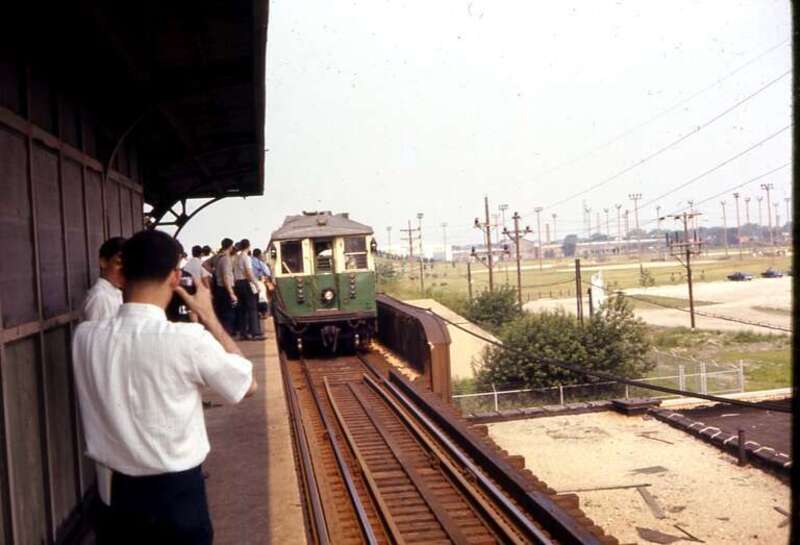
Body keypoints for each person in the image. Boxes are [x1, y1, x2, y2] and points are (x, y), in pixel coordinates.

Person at [72, 230, 257, 545]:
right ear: (175, 277)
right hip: (178, 499)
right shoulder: (187, 340)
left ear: (123, 271)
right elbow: (246, 384)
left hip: (118, 499)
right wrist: (209, 316)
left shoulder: (85, 337)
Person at [81, 237, 126, 321]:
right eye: (118, 263)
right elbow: (94, 333)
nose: (124, 270)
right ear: (103, 262)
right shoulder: (99, 297)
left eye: (127, 265)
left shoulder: (116, 293)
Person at [233, 239, 262, 340]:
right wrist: (256, 284)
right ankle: (255, 333)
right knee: (252, 308)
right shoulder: (246, 258)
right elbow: (249, 272)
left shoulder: (237, 258)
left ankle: (243, 333)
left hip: (237, 284)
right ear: (248, 246)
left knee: (242, 310)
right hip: (245, 283)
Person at [212, 238, 237, 334]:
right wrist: (231, 293)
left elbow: (205, 264)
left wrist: (214, 273)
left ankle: (222, 333)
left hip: (218, 288)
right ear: (230, 246)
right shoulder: (226, 259)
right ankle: (227, 334)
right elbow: (226, 276)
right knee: (229, 314)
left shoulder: (217, 257)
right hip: (226, 288)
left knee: (221, 313)